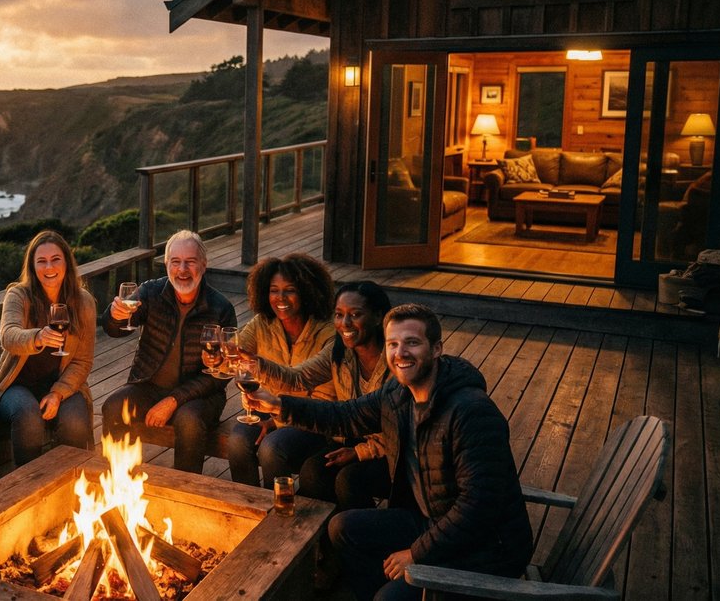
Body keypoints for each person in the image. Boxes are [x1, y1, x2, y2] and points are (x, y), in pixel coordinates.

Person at [245, 303, 533, 601]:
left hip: (488, 547)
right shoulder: (398, 393)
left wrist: (416, 553)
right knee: (342, 527)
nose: (400, 353)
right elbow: (344, 415)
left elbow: (478, 508)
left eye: (412, 342)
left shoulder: (472, 413)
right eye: (393, 344)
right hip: (431, 519)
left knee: (389, 598)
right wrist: (279, 405)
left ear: (436, 349)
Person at [101, 229, 237, 473]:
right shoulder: (150, 292)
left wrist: (174, 400)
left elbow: (222, 374)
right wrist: (114, 315)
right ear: (166, 265)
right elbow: (115, 330)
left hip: (199, 396)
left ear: (203, 265)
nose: (182, 269)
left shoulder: (221, 308)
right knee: (112, 407)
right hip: (149, 386)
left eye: (190, 262)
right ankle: (119, 481)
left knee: (189, 421)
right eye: (175, 262)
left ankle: (185, 487)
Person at [252, 280, 393, 509]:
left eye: (355, 314)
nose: (345, 323)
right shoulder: (339, 352)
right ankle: (321, 529)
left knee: (348, 480)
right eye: (339, 315)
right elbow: (297, 377)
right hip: (348, 438)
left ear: (378, 317)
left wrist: (359, 452)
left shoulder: (395, 360)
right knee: (313, 471)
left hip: (390, 451)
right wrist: (255, 364)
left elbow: (401, 430)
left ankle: (358, 527)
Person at [0, 231, 95, 470]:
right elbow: (8, 336)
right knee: (28, 415)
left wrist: (58, 393)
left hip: (62, 382)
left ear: (67, 262)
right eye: (41, 261)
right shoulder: (18, 295)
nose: (49, 267)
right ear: (32, 267)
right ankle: (29, 481)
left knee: (75, 421)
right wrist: (37, 337)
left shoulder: (83, 301)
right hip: (15, 385)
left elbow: (82, 361)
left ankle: (74, 479)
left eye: (55, 259)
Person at [224, 254, 337, 487]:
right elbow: (236, 356)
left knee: (271, 447)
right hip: (269, 408)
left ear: (307, 292)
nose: (280, 298)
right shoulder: (262, 323)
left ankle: (278, 506)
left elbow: (325, 399)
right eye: (274, 290)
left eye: (290, 290)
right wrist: (221, 357)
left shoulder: (327, 334)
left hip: (311, 418)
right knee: (237, 441)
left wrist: (277, 422)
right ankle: (249, 502)